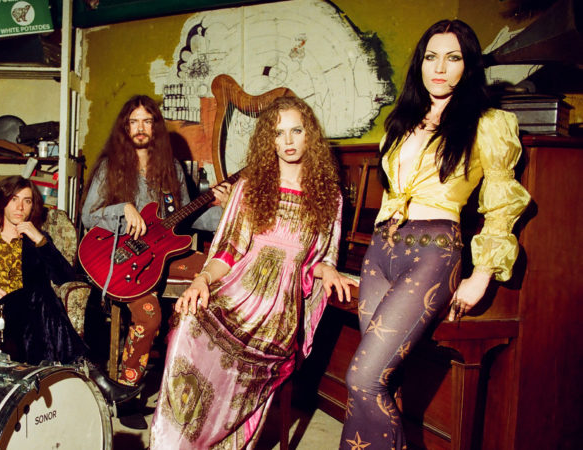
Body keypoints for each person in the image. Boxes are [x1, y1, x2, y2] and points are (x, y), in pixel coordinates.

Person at [339, 20, 531, 449]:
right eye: (431, 57)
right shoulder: (401, 120)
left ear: (468, 65)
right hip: (380, 252)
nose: (439, 68)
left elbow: (502, 204)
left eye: (452, 57)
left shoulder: (488, 123)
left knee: (363, 378)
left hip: (433, 253)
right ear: (420, 64)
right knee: (383, 382)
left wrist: (482, 274)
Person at [149, 94, 356, 448]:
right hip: (236, 293)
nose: (288, 140)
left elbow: (320, 256)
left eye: (296, 131)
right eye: (278, 133)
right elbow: (228, 251)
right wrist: (202, 280)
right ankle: (175, 441)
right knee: (188, 323)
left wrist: (329, 270)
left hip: (277, 313)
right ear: (268, 140)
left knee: (241, 367)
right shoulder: (250, 187)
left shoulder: (328, 195)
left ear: (310, 135)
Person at [0, 175, 141, 404]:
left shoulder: (37, 240)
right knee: (40, 294)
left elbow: (65, 278)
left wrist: (40, 240)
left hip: (29, 317)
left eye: (27, 201)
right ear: (3, 202)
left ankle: (57, 380)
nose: (20, 207)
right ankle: (91, 375)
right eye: (14, 199)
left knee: (40, 295)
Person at [80, 94, 230, 391]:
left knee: (220, 277)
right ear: (125, 127)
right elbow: (88, 216)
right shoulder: (109, 167)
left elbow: (185, 217)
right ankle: (125, 388)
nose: (140, 128)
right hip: (122, 259)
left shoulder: (172, 168)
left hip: (162, 253)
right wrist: (122, 209)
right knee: (149, 318)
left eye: (147, 122)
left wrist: (226, 209)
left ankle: (193, 374)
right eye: (133, 122)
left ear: (155, 127)